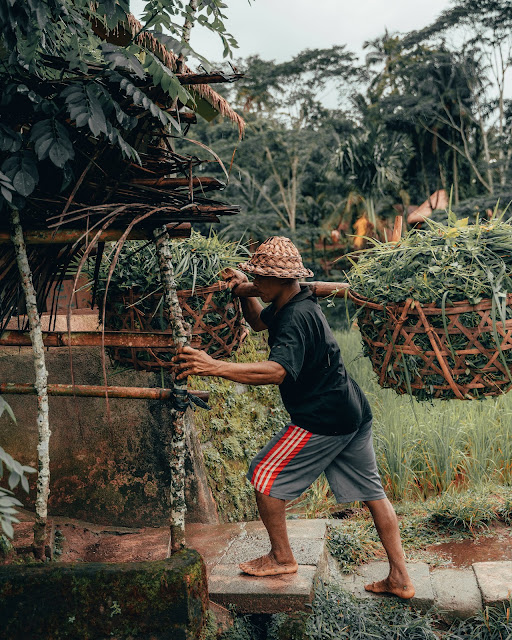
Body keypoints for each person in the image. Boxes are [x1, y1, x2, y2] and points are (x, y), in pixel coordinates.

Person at [174, 236, 415, 599]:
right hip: (351, 410)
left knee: (263, 474)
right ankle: (400, 577)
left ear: (283, 280)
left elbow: (277, 371)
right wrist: (244, 291)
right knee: (373, 493)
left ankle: (282, 556)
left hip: (323, 418)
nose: (256, 283)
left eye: (260, 279)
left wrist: (214, 366)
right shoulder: (295, 300)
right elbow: (258, 323)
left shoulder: (297, 317)